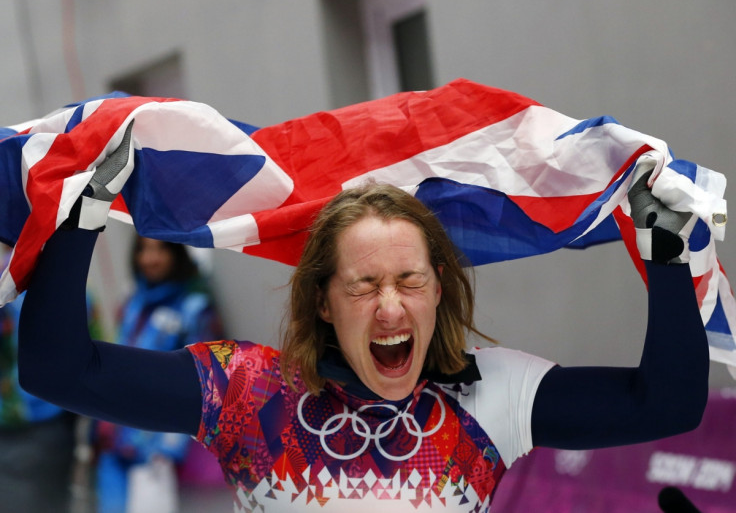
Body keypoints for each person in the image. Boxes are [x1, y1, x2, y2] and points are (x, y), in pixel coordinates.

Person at [17, 130, 709, 512]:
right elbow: (56, 367)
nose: (389, 305)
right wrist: (80, 218)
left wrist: (667, 253)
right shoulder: (248, 391)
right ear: (322, 300)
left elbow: (668, 400)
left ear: (439, 289)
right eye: (363, 284)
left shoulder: (490, 395)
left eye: (409, 280)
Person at [94, 235, 223, 513]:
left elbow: (205, 387)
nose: (150, 259)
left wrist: (166, 449)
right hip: (114, 444)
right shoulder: (132, 304)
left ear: (177, 253)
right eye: (144, 249)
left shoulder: (195, 308)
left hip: (157, 454)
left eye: (160, 249)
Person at [0, 246, 103, 513]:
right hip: (39, 416)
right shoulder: (62, 279)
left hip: (47, 418)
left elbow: (92, 346)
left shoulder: (59, 280)